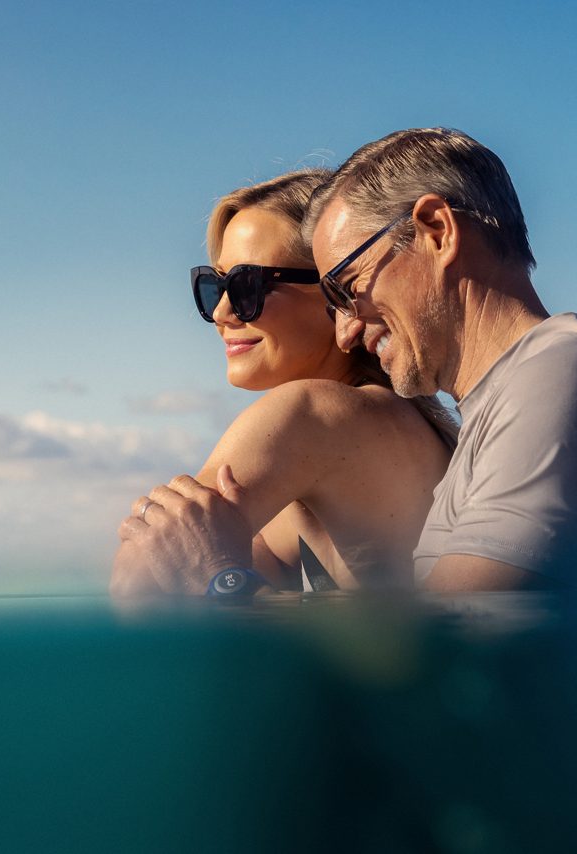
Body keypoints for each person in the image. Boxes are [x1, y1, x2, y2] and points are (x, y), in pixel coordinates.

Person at [123, 129, 577, 601]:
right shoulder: (509, 404)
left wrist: (223, 583)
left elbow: (461, 654)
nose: (347, 323)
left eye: (347, 287)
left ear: (435, 231)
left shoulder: (567, 377)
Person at [110, 170, 453, 596]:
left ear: (338, 289)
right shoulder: (392, 420)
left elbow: (138, 582)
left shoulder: (311, 412)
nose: (221, 313)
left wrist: (216, 573)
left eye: (247, 285)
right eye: (215, 285)